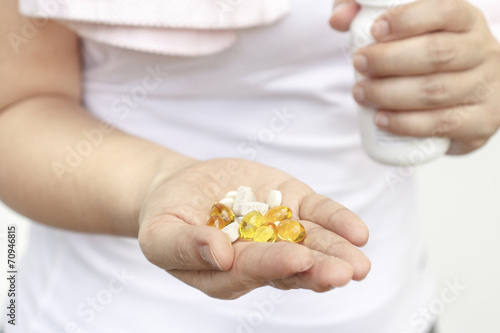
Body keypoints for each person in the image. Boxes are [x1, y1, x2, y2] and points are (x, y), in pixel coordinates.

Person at [0, 0, 498, 332]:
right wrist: (157, 182)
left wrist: (473, 97)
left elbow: (462, 92)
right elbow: (16, 108)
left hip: (390, 311)